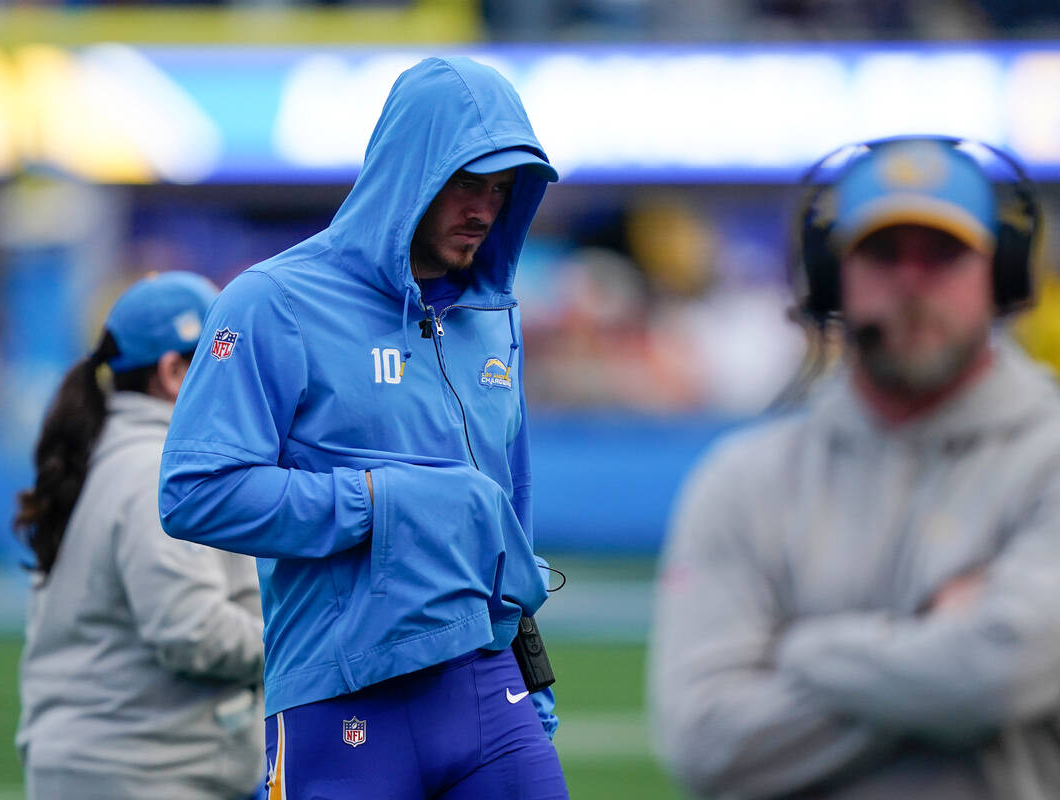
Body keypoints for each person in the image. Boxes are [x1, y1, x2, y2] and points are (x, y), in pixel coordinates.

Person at [159, 56, 568, 799]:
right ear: (410, 169)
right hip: (340, 698)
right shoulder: (269, 302)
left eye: (503, 188)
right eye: (467, 182)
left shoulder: (492, 316)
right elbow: (195, 492)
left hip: (490, 693)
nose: (485, 208)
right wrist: (378, 503)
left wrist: (528, 670)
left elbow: (509, 513)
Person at [652, 137, 1060, 799]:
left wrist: (806, 652)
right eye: (882, 252)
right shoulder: (744, 479)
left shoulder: (1049, 459)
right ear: (829, 274)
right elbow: (707, 743)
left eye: (945, 254)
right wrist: (940, 648)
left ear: (1005, 275)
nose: (911, 281)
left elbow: (1004, 675)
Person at [15, 271, 266, 800]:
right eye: (223, 361)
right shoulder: (155, 470)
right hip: (147, 771)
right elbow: (192, 632)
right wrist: (301, 639)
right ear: (175, 372)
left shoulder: (104, 453)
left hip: (100, 763)